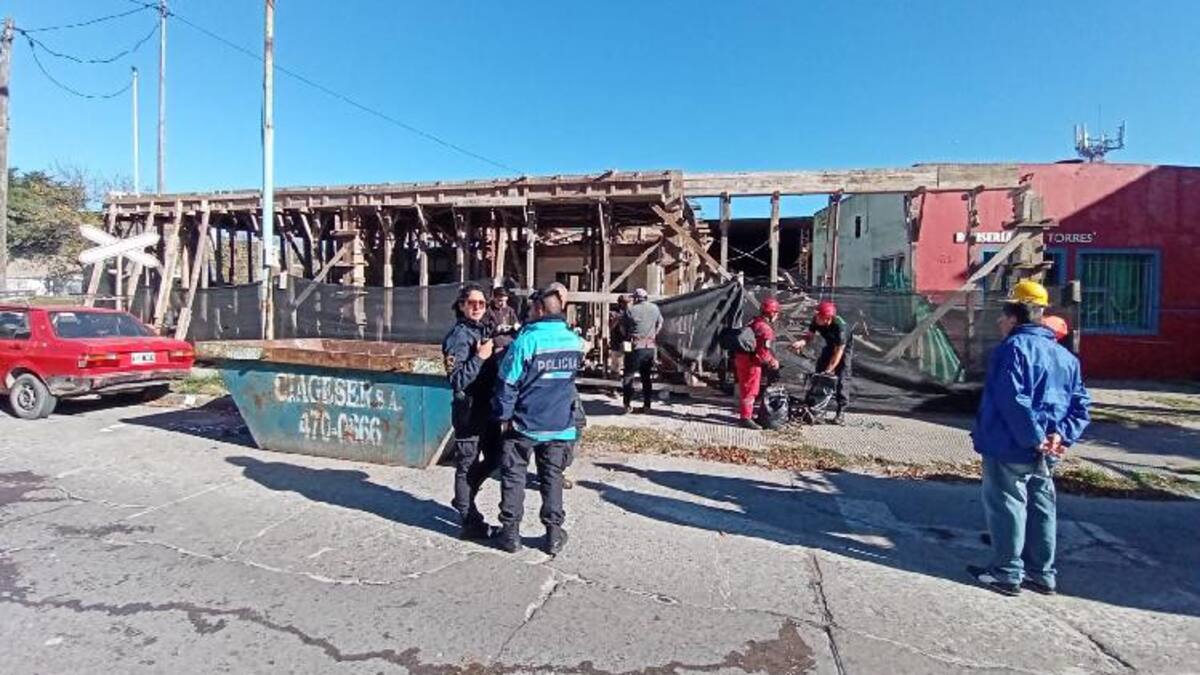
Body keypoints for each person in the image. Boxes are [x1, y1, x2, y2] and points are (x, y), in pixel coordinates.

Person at [968, 279, 1091, 597]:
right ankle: (1041, 573)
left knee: (1007, 504)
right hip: (1047, 448)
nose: (998, 321)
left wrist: (1034, 437)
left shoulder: (1012, 349)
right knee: (1041, 506)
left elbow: (1013, 398)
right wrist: (1061, 437)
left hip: (1010, 444)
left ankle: (1007, 572)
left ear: (1015, 316)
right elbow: (1080, 404)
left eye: (1002, 315)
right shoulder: (1065, 357)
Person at [493, 287, 586, 555]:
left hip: (525, 422)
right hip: (560, 424)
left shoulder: (527, 340)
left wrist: (504, 415)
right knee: (552, 478)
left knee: (514, 476)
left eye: (533, 308)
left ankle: (510, 534)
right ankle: (554, 535)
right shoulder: (573, 341)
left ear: (541, 310)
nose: (530, 313)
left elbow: (507, 382)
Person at [441, 283, 502, 540]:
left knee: (496, 458)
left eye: (482, 304)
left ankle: (464, 496)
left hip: (487, 408)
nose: (477, 308)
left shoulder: (481, 330)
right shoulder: (458, 336)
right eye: (472, 303)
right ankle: (470, 521)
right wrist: (480, 357)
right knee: (466, 464)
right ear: (462, 305)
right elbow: (457, 379)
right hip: (469, 411)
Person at [789, 301, 852, 425]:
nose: (816, 318)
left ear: (828, 319)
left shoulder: (841, 328)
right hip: (829, 346)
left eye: (819, 317)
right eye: (816, 316)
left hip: (843, 350)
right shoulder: (816, 319)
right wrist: (802, 342)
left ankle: (841, 412)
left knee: (842, 378)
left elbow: (838, 351)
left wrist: (830, 369)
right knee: (819, 374)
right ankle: (814, 408)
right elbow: (809, 335)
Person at [733, 297, 782, 430]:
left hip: (740, 358)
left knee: (744, 388)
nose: (777, 315)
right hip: (751, 362)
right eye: (776, 312)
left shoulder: (753, 322)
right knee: (751, 390)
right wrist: (772, 361)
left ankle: (745, 415)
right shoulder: (766, 329)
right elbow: (763, 351)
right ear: (771, 313)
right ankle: (746, 418)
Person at [620, 288, 663, 414]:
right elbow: (660, 323)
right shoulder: (655, 308)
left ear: (636, 298)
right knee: (646, 377)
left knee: (628, 376)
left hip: (635, 347)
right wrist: (653, 335)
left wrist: (629, 335)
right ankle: (647, 406)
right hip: (649, 347)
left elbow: (623, 328)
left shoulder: (631, 310)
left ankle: (627, 405)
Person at [483, 286, 520, 350]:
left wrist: (514, 326)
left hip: (509, 339)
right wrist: (496, 329)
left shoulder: (509, 310)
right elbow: (483, 329)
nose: (503, 304)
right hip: (495, 342)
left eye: (505, 301)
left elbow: (517, 325)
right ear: (494, 298)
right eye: (500, 301)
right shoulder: (488, 311)